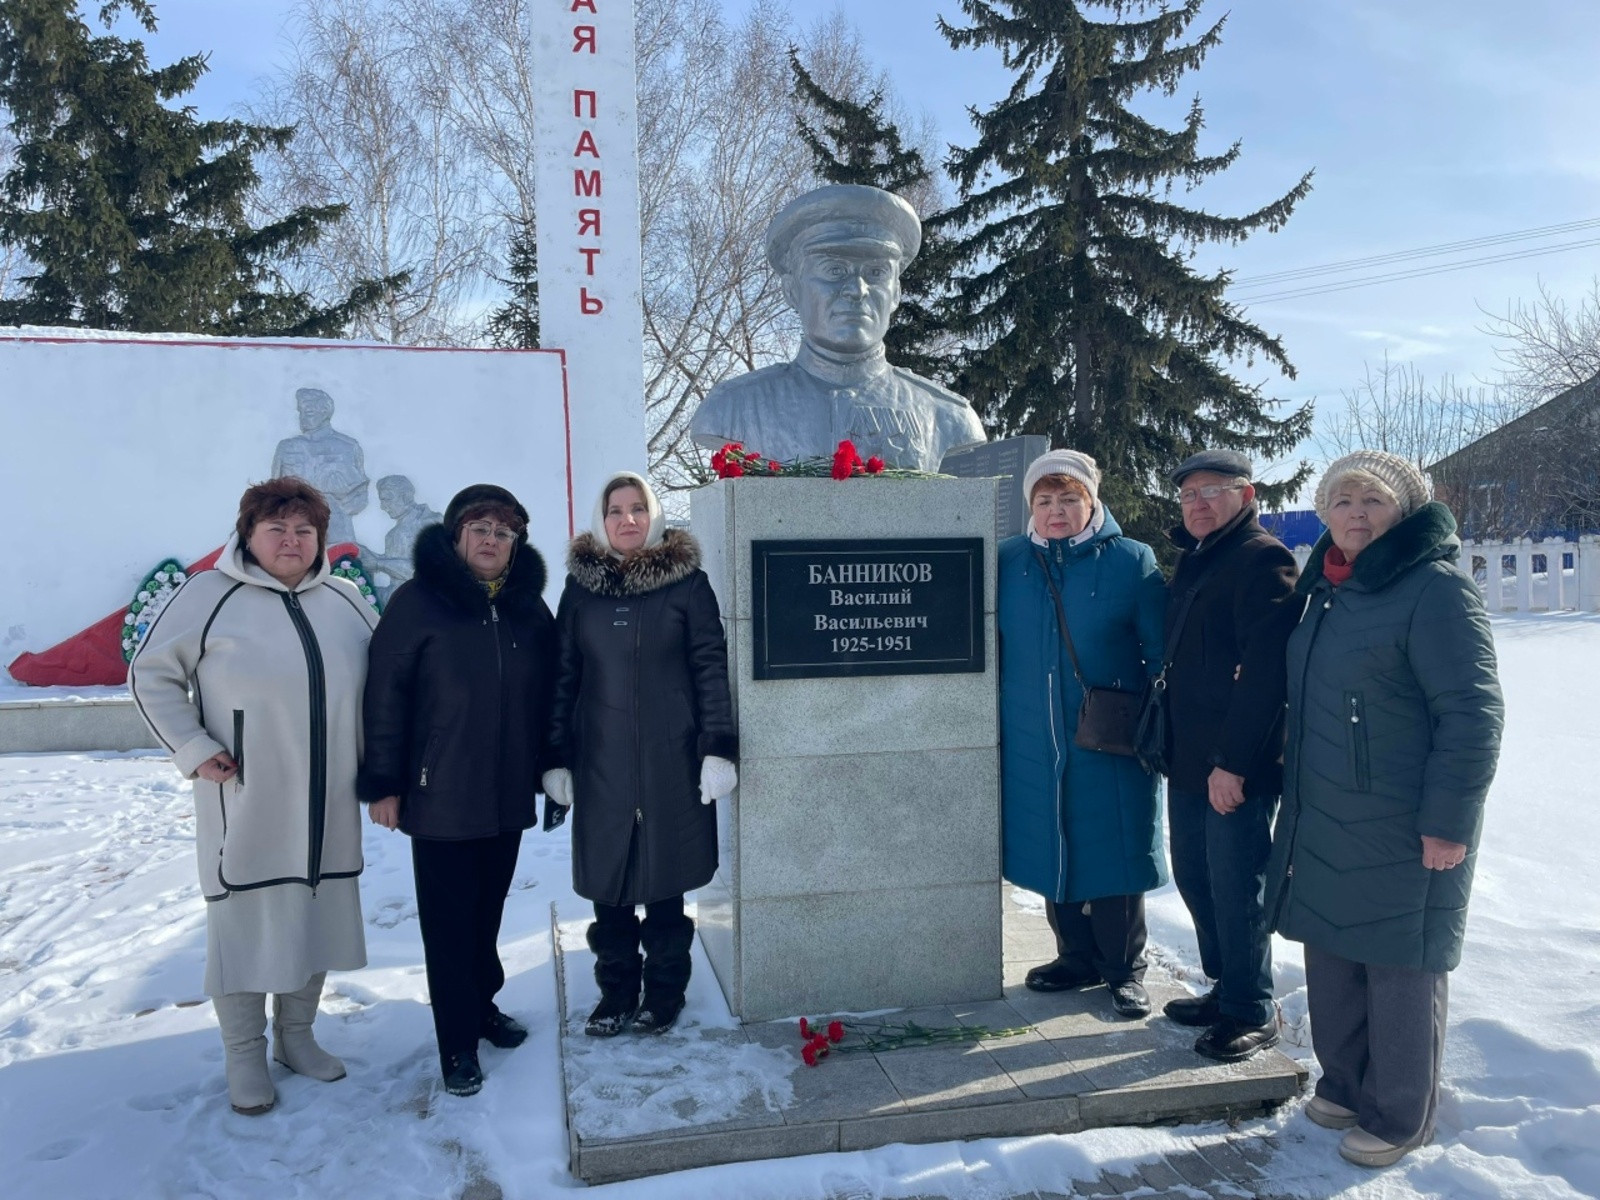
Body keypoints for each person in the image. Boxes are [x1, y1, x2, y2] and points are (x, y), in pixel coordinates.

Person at [1266, 451, 1503, 1168]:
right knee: (1333, 949)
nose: (1356, 513)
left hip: (1404, 820)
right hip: (1325, 810)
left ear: (1402, 511)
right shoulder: (1327, 592)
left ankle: (1400, 1114)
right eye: (1341, 500)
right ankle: (1344, 1082)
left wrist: (1449, 822)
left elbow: (1472, 713)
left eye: (1372, 500)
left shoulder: (1433, 590)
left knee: (1400, 962)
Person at [129, 477, 378, 1115]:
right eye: (277, 529)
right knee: (244, 923)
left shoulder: (346, 600)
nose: (291, 541)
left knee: (315, 915)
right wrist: (191, 746)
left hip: (329, 799)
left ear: (321, 538)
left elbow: (388, 683)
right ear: (249, 535)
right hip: (244, 793)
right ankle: (244, 1054)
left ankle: (297, 1037)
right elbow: (150, 673)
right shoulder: (210, 595)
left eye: (304, 530)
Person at [358, 484, 558, 1098]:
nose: (492, 539)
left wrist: (552, 768)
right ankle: (456, 1045)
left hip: (504, 795)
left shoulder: (530, 609)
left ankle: (482, 1007)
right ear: (456, 536)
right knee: (448, 924)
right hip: (438, 792)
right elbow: (385, 697)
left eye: (504, 531)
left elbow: (553, 696)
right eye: (480, 527)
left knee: (488, 913)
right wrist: (385, 784)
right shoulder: (419, 603)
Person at [543, 471, 738, 1037]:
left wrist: (716, 749)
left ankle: (665, 994)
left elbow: (710, 669)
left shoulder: (688, 585)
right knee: (610, 888)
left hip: (670, 758)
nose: (627, 520)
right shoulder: (581, 590)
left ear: (654, 515)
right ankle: (616, 994)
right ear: (601, 522)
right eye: (614, 511)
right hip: (600, 761)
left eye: (637, 509)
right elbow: (563, 678)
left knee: (665, 886)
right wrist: (556, 756)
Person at [997, 450, 1167, 1019]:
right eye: (1044, 501)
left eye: (1069, 498)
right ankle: (1074, 956)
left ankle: (1124, 968)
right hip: (1031, 737)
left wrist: (1156, 718)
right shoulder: (1008, 563)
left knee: (1113, 845)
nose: (1056, 511)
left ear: (1092, 500)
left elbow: (1160, 652)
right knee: (1052, 844)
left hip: (1110, 736)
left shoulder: (1131, 561)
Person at [1158, 449, 1302, 1063]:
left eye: (1211, 491)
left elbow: (1266, 674)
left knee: (1236, 880)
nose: (1197, 503)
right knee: (1195, 876)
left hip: (1232, 764)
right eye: (1188, 494)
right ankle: (1224, 987)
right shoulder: (1198, 558)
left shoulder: (1261, 558)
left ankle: (1251, 1004)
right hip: (1188, 756)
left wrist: (1234, 763)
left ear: (1245, 496)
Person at [689, 184, 986, 470]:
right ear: (792, 290)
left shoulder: (947, 418)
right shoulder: (735, 408)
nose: (857, 290)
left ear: (895, 293)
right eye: (834, 270)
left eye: (876, 272)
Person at [271, 386, 369, 545]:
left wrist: (342, 494)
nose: (302, 417)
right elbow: (272, 493)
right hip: (293, 531)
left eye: (308, 412)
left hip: (335, 533)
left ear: (325, 413)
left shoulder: (347, 447)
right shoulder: (287, 447)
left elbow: (360, 501)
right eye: (300, 412)